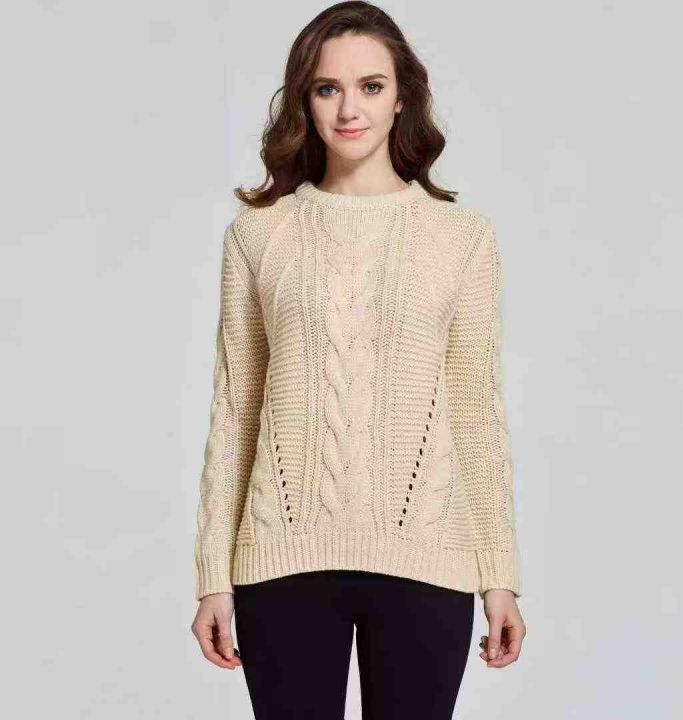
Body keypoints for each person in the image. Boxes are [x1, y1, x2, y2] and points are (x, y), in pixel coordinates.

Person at [190, 1, 527, 717]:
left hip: (428, 559)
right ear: (303, 101)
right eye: (327, 88)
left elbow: (475, 411)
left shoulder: (461, 238)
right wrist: (212, 575)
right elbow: (237, 411)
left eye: (371, 86)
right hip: (283, 560)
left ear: (403, 97)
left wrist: (500, 573)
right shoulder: (259, 235)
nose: (350, 109)